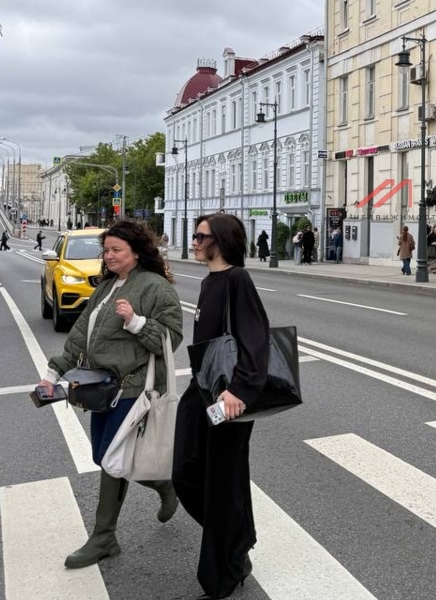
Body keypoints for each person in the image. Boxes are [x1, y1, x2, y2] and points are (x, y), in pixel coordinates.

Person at [36, 220, 184, 569]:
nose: (109, 256)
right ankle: (164, 485)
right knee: (104, 457)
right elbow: (80, 334)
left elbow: (171, 338)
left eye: (117, 250)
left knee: (112, 461)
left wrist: (135, 322)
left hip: (134, 387)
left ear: (137, 252)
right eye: (106, 250)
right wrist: (52, 374)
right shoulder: (106, 287)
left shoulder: (155, 287)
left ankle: (104, 537)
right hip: (102, 388)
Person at [174, 214, 270, 599]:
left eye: (201, 237)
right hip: (202, 391)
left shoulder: (236, 279)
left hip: (229, 398)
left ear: (222, 240)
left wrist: (238, 391)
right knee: (184, 472)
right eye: (195, 236)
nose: (194, 242)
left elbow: (256, 340)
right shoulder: (209, 282)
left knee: (223, 483)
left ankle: (224, 575)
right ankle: (236, 536)